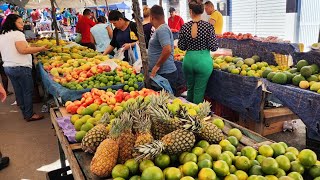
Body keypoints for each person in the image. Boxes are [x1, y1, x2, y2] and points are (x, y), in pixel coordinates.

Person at [0, 14, 48, 121]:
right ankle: (29, 114)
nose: (22, 24)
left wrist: (31, 47)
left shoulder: (3, 35)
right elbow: (23, 50)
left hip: (8, 67)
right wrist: (40, 48)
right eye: (19, 22)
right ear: (13, 23)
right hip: (20, 67)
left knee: (19, 91)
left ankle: (25, 111)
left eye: (22, 22)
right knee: (27, 91)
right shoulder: (17, 34)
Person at [178, 0, 218, 104]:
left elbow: (181, 46)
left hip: (188, 61)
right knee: (199, 91)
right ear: (202, 11)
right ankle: (195, 116)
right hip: (203, 61)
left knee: (190, 89)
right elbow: (214, 47)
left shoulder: (184, 27)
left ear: (191, 11)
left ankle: (186, 113)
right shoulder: (208, 27)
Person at [149, 5, 178, 94]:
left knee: (167, 101)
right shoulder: (160, 29)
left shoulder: (162, 29)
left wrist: (156, 66)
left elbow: (167, 49)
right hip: (163, 73)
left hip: (165, 74)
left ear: (152, 17)